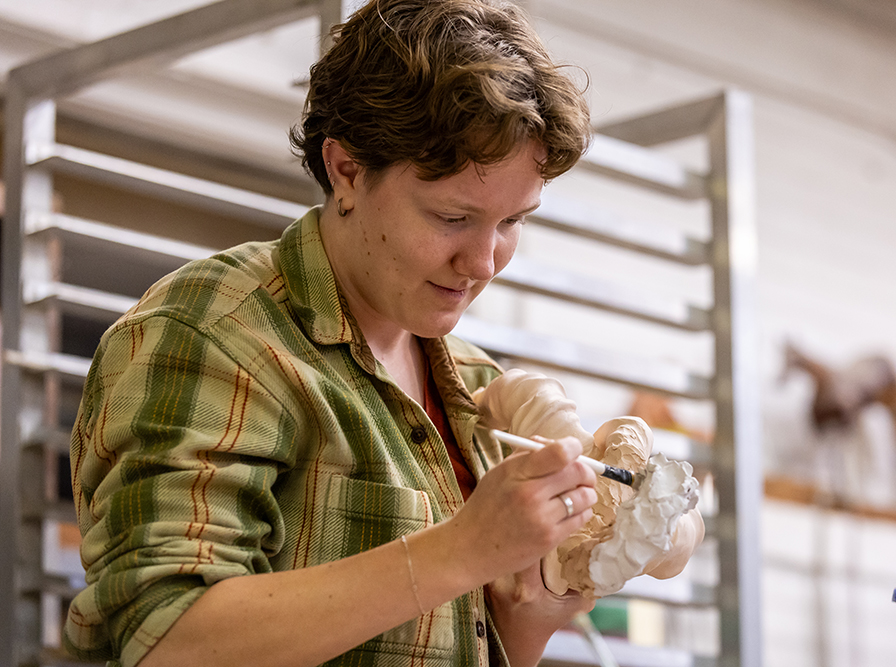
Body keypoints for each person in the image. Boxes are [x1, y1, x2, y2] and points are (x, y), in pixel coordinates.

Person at [63, 2, 698, 666]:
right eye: (453, 216)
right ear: (347, 170)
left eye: (512, 222)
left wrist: (529, 616)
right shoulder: (214, 333)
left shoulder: (474, 386)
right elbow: (166, 640)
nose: (483, 263)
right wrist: (461, 550)